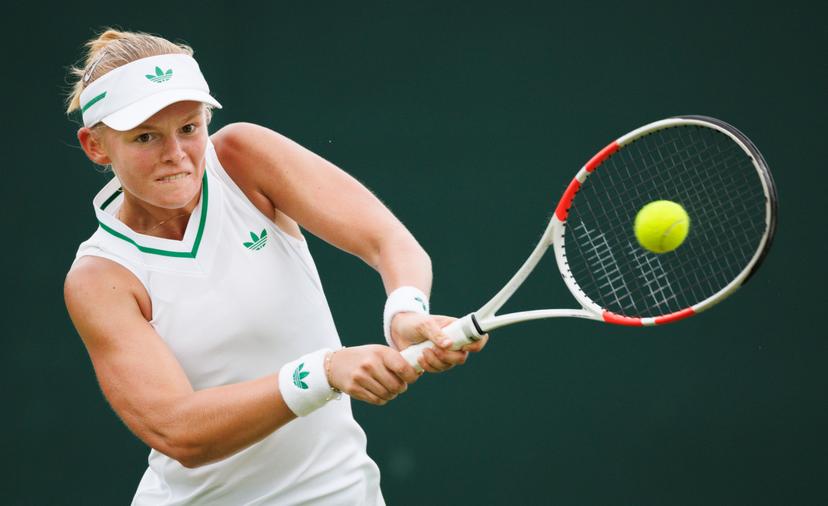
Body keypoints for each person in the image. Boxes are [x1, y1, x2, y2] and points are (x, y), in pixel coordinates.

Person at [63, 28, 487, 505]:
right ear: (95, 146)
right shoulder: (101, 278)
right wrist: (323, 372)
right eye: (146, 137)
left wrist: (405, 311)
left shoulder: (244, 157)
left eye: (189, 128)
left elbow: (389, 241)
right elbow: (179, 430)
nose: (176, 155)